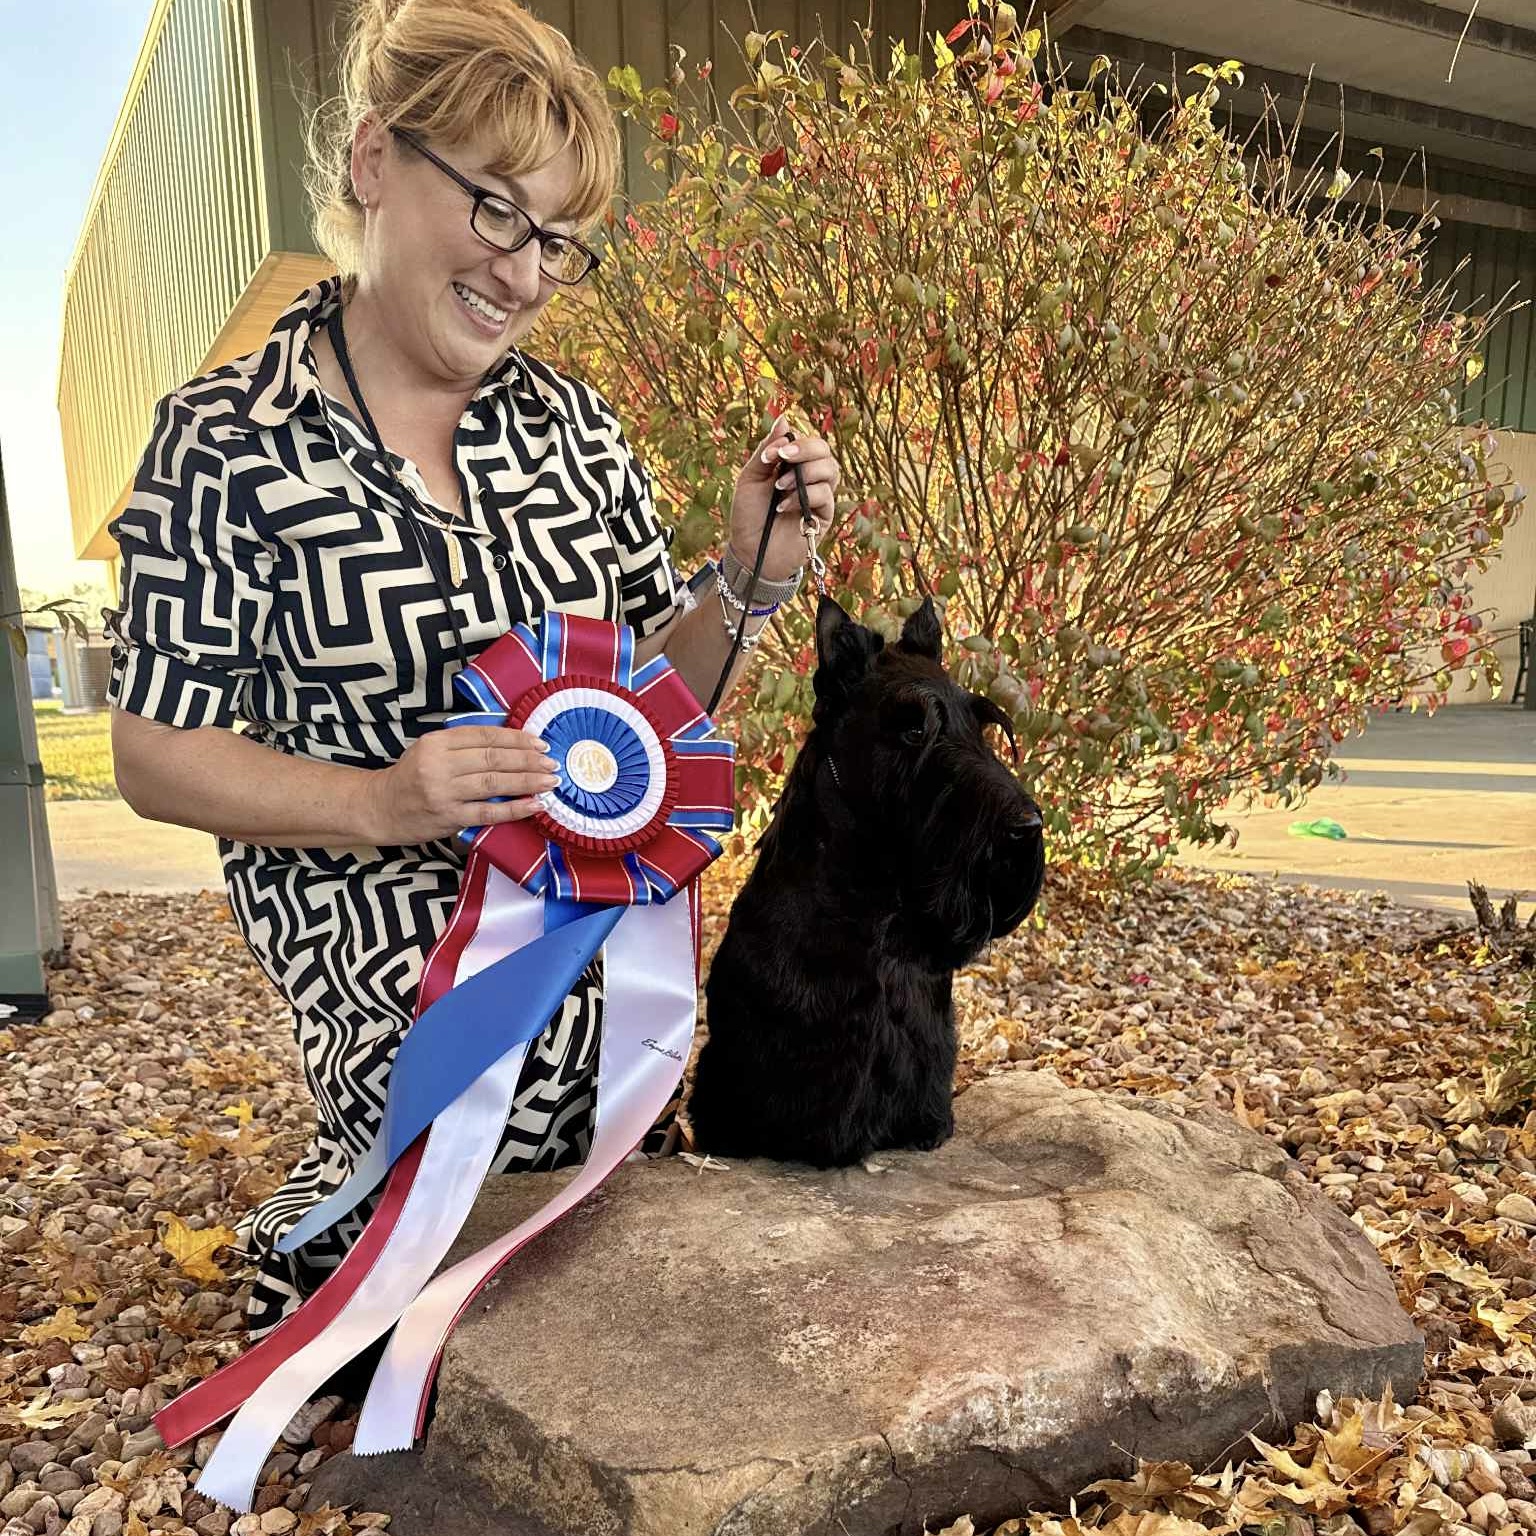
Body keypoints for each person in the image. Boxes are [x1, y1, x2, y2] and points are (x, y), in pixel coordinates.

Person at [105, 0, 839, 1342]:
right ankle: (351, 1249)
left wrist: (749, 572)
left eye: (558, 242)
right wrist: (383, 799)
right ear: (375, 160)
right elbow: (154, 754)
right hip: (378, 919)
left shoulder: (573, 427)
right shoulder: (227, 440)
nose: (525, 273)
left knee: (661, 1096)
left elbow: (659, 709)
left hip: (597, 914)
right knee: (479, 1118)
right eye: (498, 209)